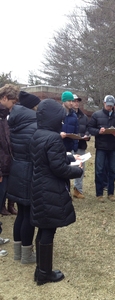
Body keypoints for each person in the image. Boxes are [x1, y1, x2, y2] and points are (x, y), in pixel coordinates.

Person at [30, 99, 83, 285]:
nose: (61, 122)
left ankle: (40, 270)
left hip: (38, 186)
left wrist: (68, 156)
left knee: (43, 228)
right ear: (53, 118)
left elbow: (46, 157)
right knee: (48, 230)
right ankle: (45, 274)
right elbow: (58, 169)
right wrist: (79, 170)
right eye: (59, 119)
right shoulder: (53, 138)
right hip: (50, 188)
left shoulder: (38, 134)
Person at [7, 91, 41, 264]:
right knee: (28, 215)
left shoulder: (15, 120)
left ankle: (18, 253)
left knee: (21, 213)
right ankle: (27, 255)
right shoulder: (33, 124)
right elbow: (37, 150)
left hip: (16, 169)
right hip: (29, 171)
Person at [88, 95, 115, 202]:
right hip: (101, 147)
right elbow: (90, 128)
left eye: (111, 106)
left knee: (112, 170)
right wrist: (98, 132)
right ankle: (99, 194)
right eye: (108, 105)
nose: (109, 107)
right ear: (104, 103)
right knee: (99, 170)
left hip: (113, 147)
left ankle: (111, 192)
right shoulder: (96, 115)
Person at [0, 84, 19, 256]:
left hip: (6, 165)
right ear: (4, 98)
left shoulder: (5, 115)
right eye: (11, 101)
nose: (12, 105)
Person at [72, 94, 90, 199]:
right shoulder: (65, 115)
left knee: (80, 168)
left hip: (81, 145)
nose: (76, 103)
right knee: (67, 168)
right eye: (74, 101)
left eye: (78, 101)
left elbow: (88, 128)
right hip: (69, 145)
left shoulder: (84, 117)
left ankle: (78, 190)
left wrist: (87, 135)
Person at [103, 99, 115, 190]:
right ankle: (105, 183)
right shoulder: (103, 115)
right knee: (105, 165)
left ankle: (111, 184)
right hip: (103, 145)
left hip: (114, 145)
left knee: (113, 166)